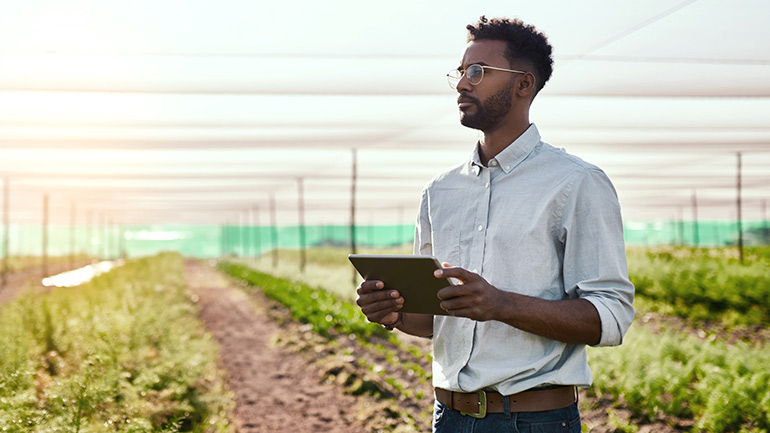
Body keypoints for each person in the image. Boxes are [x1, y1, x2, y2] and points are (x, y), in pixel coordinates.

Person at [356, 15, 635, 433]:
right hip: (448, 417)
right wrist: (394, 312)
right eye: (460, 72)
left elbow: (610, 317)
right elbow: (435, 319)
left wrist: (501, 305)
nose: (462, 84)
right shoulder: (440, 191)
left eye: (476, 72)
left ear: (523, 84)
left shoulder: (576, 182)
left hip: (533, 421)